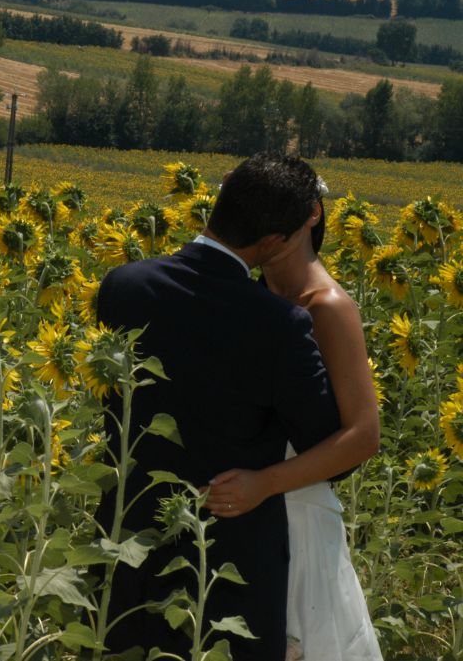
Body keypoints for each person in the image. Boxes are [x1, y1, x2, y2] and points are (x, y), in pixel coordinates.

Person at [94, 152, 377, 660]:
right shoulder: (272, 321)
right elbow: (327, 437)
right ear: (277, 237)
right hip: (230, 545)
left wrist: (268, 479)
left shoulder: (122, 287)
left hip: (133, 533)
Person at [203, 185, 383, 660]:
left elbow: (364, 435)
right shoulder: (248, 297)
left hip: (295, 511)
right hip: (240, 508)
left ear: (312, 216)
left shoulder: (327, 306)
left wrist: (265, 483)